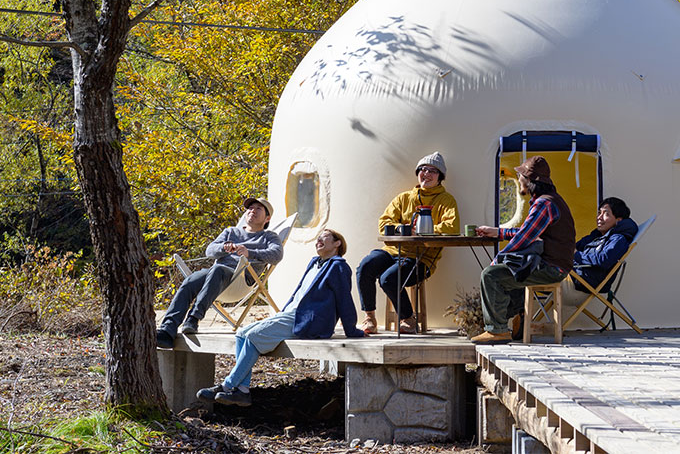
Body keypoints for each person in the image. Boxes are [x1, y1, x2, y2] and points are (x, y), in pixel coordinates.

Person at [197, 229, 365, 407]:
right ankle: (243, 391)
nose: (318, 240)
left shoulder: (339, 267)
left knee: (253, 336)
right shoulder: (315, 262)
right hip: (290, 313)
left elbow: (344, 299)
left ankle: (227, 385)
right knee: (241, 333)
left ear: (337, 243)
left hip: (307, 319)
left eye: (324, 237)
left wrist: (352, 330)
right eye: (317, 238)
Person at [471, 156, 575, 344]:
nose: (518, 179)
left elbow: (524, 238)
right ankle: (519, 315)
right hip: (554, 264)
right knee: (513, 271)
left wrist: (498, 259)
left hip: (551, 268)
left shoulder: (544, 204)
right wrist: (498, 232)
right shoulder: (550, 200)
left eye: (520, 176)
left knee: (491, 275)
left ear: (529, 180)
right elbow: (529, 231)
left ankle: (497, 331)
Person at [156, 197, 282, 348]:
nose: (252, 211)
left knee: (217, 270)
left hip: (241, 279)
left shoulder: (269, 237)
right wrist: (223, 247)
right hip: (216, 276)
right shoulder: (230, 232)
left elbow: (277, 255)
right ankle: (167, 330)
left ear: (267, 218)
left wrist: (250, 252)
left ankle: (194, 318)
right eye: (250, 208)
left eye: (258, 209)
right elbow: (209, 251)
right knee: (191, 280)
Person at [356, 152, 460, 335]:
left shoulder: (446, 200)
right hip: (392, 251)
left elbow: (452, 227)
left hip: (421, 258)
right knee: (365, 267)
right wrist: (401, 229)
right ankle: (369, 317)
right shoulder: (404, 198)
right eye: (423, 169)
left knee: (389, 279)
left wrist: (422, 231)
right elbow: (384, 223)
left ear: (440, 177)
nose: (426, 174)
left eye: (433, 171)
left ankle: (408, 319)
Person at [571, 197, 638, 293]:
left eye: (606, 214)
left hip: (587, 282)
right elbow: (574, 247)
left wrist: (576, 255)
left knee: (551, 275)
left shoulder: (618, 239)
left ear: (618, 220)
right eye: (599, 213)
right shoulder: (596, 236)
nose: (599, 217)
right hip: (577, 275)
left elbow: (603, 259)